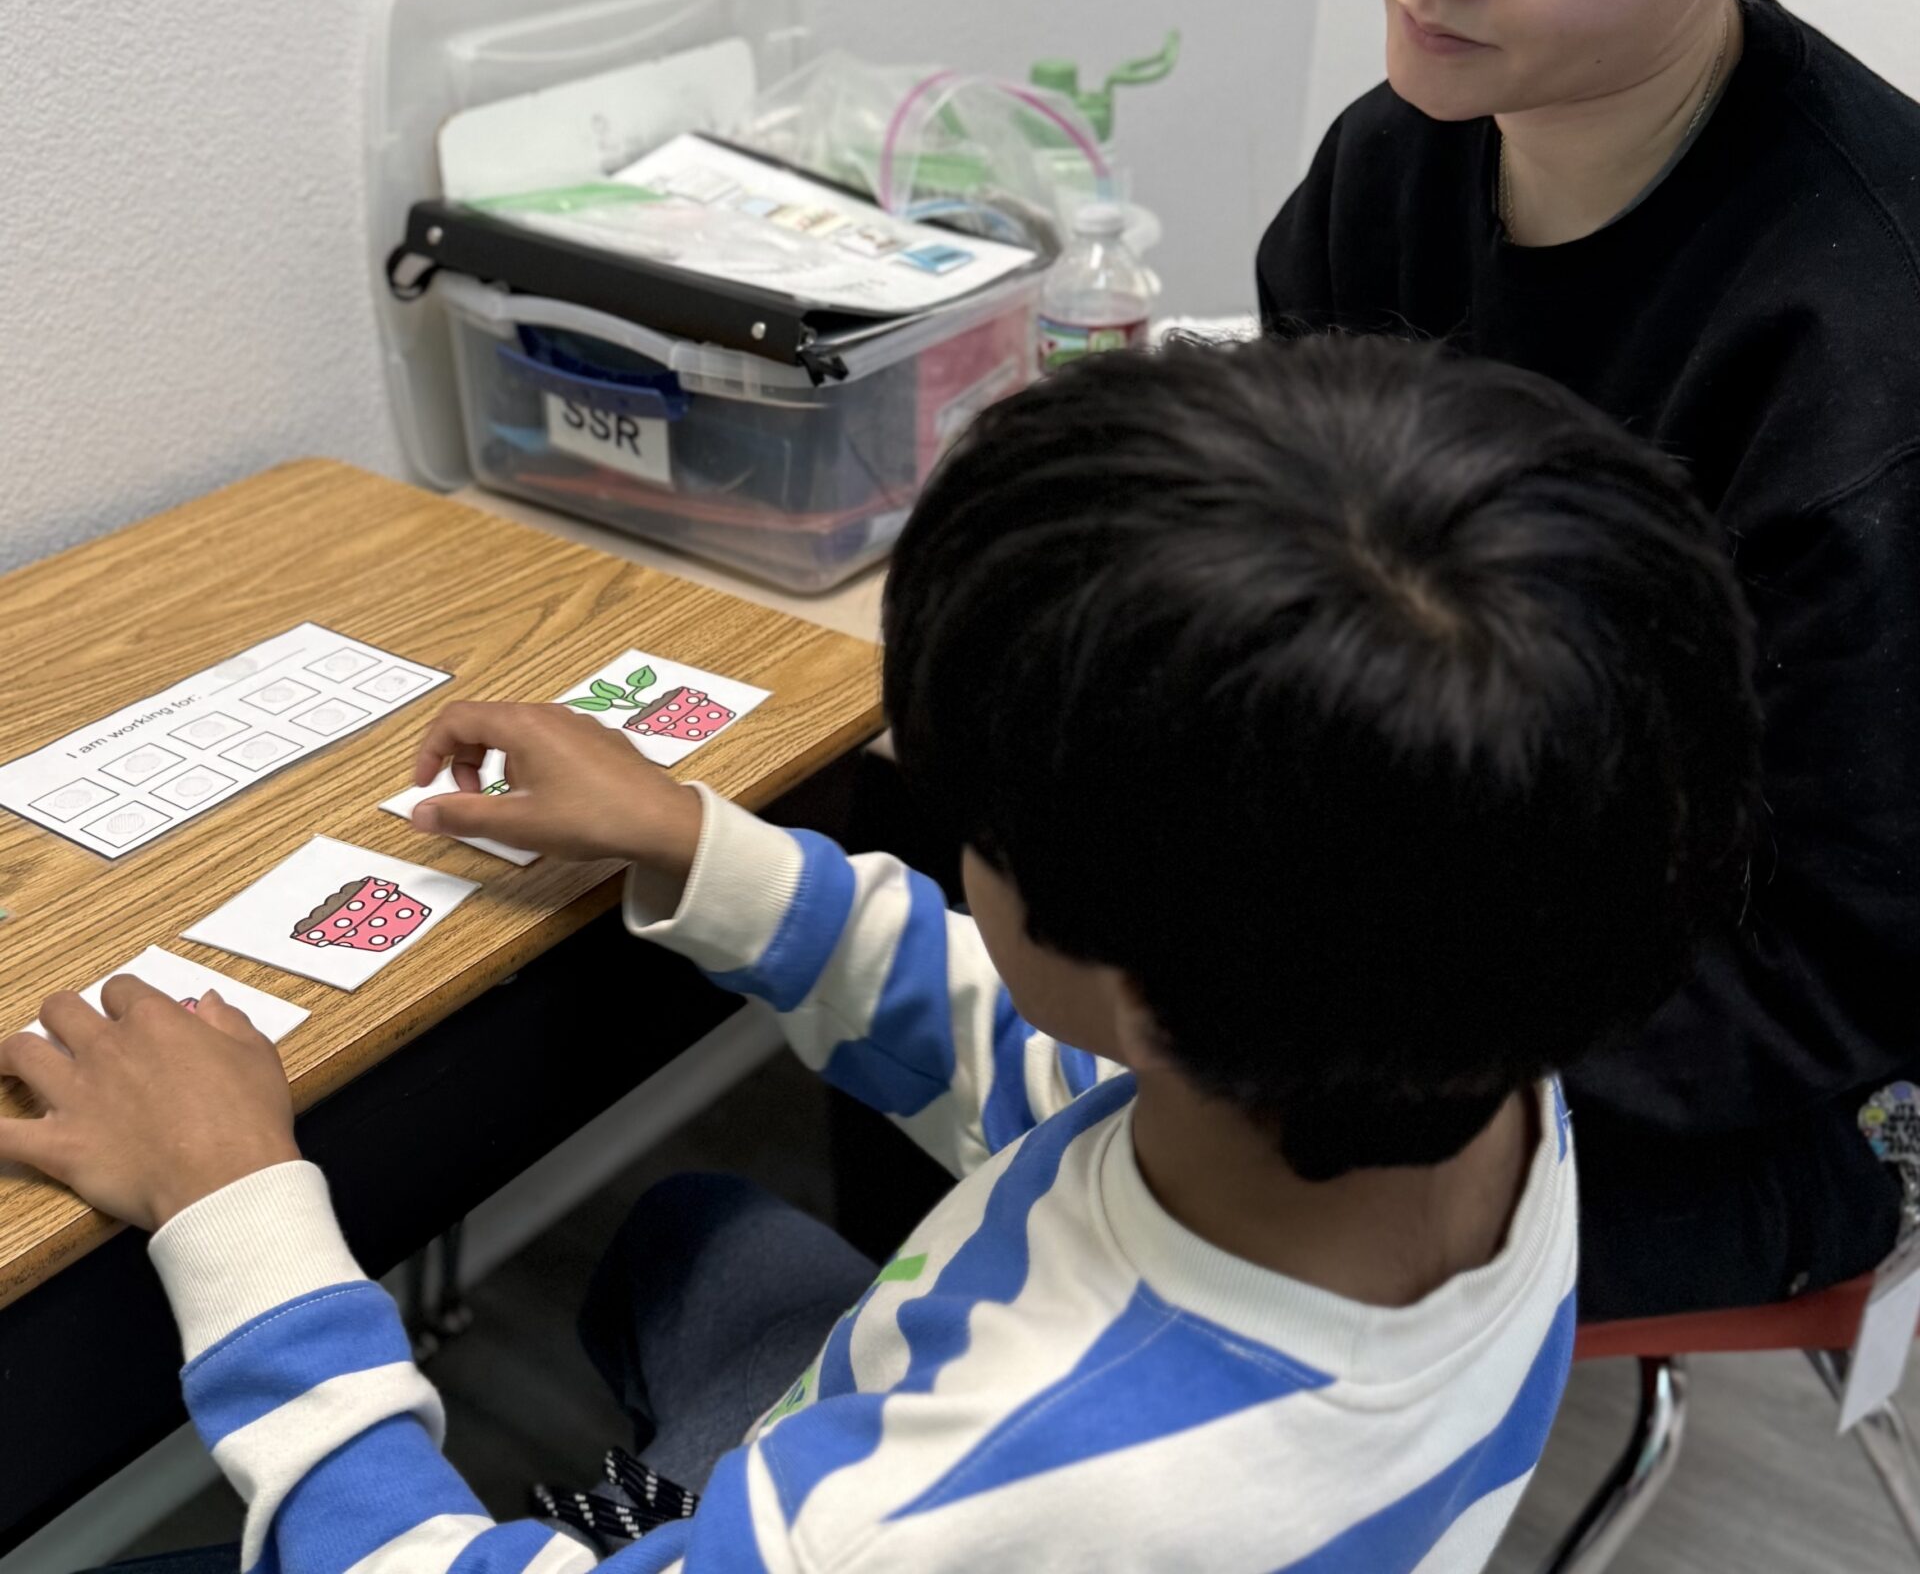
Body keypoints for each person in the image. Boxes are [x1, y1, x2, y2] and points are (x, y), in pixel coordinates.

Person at [5, 337, 1756, 1574]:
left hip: (943, 1515)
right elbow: (1055, 1066)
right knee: (694, 1243)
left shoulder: (967, 1503)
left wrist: (238, 1207)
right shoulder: (1472, 1031)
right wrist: (699, 844)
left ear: (1141, 984)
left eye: (966, 819)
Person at [1259, 0, 1920, 1318]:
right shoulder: (1389, 181)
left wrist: (1347, 1063)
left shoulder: (1856, 359)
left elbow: (1832, 962)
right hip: (1442, 918)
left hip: (1758, 1080)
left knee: (1216, 1213)